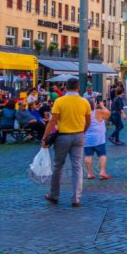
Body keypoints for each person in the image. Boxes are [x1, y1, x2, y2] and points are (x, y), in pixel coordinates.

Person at [43, 78, 92, 207]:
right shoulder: (84, 102)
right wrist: (82, 132)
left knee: (58, 166)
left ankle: (54, 195)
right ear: (78, 87)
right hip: (79, 136)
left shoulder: (60, 101)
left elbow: (52, 121)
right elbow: (88, 122)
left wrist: (44, 138)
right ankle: (76, 198)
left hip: (63, 137)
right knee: (77, 166)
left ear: (66, 87)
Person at [84, 97, 111, 180]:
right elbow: (108, 113)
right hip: (99, 138)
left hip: (87, 138)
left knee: (88, 155)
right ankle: (102, 171)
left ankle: (89, 173)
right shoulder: (98, 112)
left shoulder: (83, 113)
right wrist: (102, 105)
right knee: (101, 154)